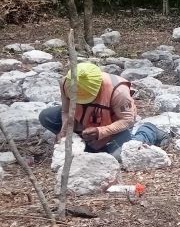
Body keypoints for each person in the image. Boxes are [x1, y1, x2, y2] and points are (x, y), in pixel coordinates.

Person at [38, 62, 167, 160]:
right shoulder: (66, 83)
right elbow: (65, 111)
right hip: (83, 121)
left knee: (118, 156)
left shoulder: (118, 91)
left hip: (113, 126)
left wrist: (101, 132)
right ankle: (86, 144)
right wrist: (64, 130)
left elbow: (128, 120)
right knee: (46, 116)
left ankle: (148, 131)